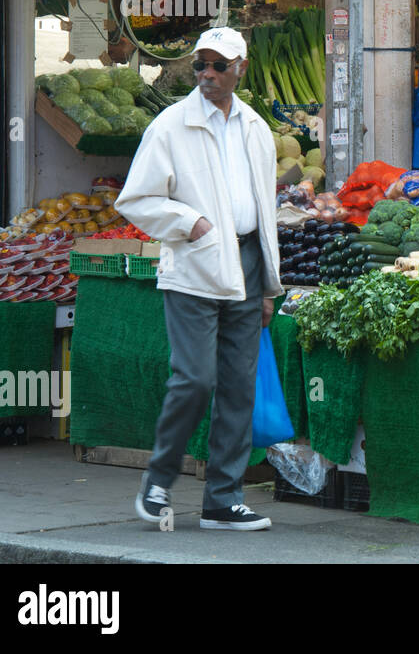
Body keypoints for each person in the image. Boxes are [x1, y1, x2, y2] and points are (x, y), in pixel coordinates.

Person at [116, 27, 283, 531]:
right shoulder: (171, 125)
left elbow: (264, 207)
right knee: (195, 378)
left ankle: (223, 498)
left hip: (248, 263)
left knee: (238, 385)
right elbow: (137, 200)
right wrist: (193, 224)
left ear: (241, 69)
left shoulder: (256, 126)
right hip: (194, 267)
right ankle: (159, 478)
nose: (207, 74)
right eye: (200, 65)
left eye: (217, 65)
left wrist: (269, 285)